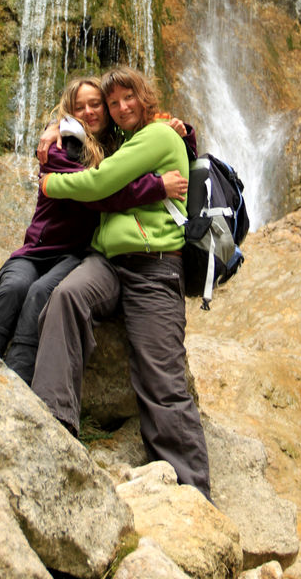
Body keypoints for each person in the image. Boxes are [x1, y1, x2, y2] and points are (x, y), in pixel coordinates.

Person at [32, 66, 211, 499]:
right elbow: (91, 142)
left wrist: (52, 183)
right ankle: (51, 422)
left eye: (127, 97)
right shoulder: (124, 141)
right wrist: (56, 126)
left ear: (144, 96)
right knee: (66, 296)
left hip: (153, 267)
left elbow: (102, 183)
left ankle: (193, 493)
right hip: (110, 262)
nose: (120, 107)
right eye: (113, 103)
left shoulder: (157, 136)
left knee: (162, 378)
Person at [0, 76, 188, 384]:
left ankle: (15, 378)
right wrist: (156, 187)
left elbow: (153, 139)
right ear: (68, 112)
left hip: (76, 254)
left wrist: (182, 131)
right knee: (14, 287)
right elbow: (98, 192)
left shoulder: (117, 146)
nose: (89, 112)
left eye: (96, 104)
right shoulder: (61, 145)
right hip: (37, 251)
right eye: (79, 106)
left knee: (40, 293)